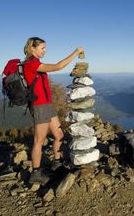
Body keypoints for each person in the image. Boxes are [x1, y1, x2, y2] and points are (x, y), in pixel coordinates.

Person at [23, 37, 84, 185]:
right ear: (32, 48)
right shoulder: (31, 64)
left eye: (45, 48)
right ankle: (35, 173)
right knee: (39, 141)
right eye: (42, 48)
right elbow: (58, 66)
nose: (45, 51)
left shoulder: (36, 64)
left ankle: (56, 162)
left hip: (47, 105)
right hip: (39, 106)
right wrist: (76, 52)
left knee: (59, 134)